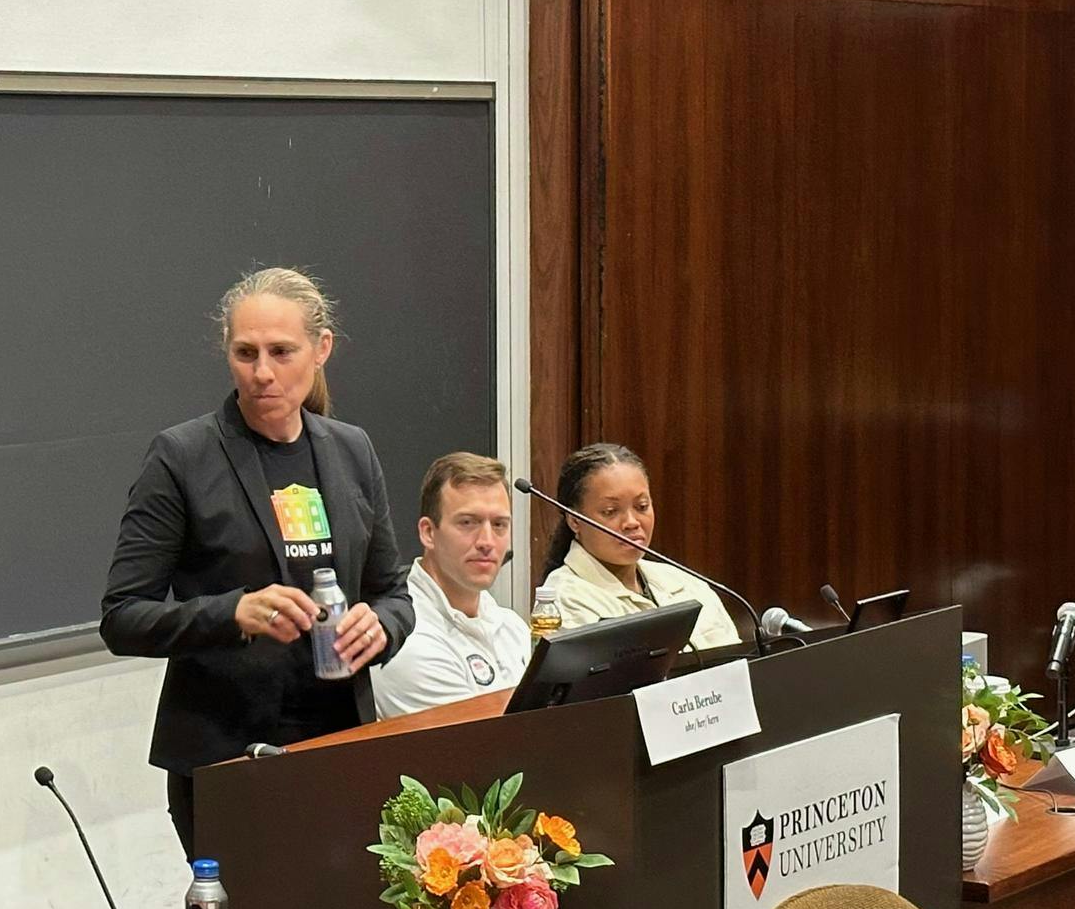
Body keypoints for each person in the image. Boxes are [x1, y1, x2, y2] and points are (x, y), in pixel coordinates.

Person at [101, 266, 414, 857]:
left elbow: (392, 592)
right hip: (226, 754)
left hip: (340, 740)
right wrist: (232, 613)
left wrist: (384, 626)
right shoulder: (183, 457)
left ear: (321, 350)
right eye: (245, 353)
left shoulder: (351, 449)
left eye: (281, 351)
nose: (262, 372)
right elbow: (122, 617)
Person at [535, 442, 743, 650]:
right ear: (575, 521)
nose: (632, 522)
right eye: (610, 511)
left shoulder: (684, 581)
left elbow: (738, 665)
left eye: (641, 507)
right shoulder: (565, 598)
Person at [372, 452, 531, 717]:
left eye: (500, 524)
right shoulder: (407, 638)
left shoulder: (512, 626)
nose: (487, 541)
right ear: (428, 533)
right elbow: (484, 747)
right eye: (468, 523)